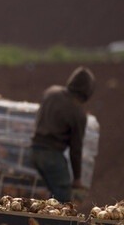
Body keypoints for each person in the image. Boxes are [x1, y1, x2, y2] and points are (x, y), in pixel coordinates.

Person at [29, 66, 95, 204]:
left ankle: (41, 221)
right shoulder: (78, 113)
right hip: (52, 156)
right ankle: (51, 224)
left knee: (53, 195)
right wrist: (77, 178)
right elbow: (76, 149)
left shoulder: (51, 92)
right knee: (63, 197)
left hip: (34, 150)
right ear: (87, 91)